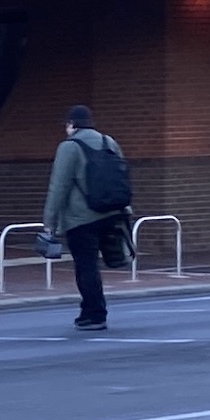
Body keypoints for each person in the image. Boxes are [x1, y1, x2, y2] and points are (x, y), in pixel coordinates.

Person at [44, 105, 125, 332]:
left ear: (71, 124)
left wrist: (49, 222)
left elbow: (59, 186)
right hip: (111, 213)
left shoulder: (69, 147)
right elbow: (120, 176)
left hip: (81, 218)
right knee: (101, 262)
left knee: (86, 266)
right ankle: (90, 311)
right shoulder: (109, 142)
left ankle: (94, 314)